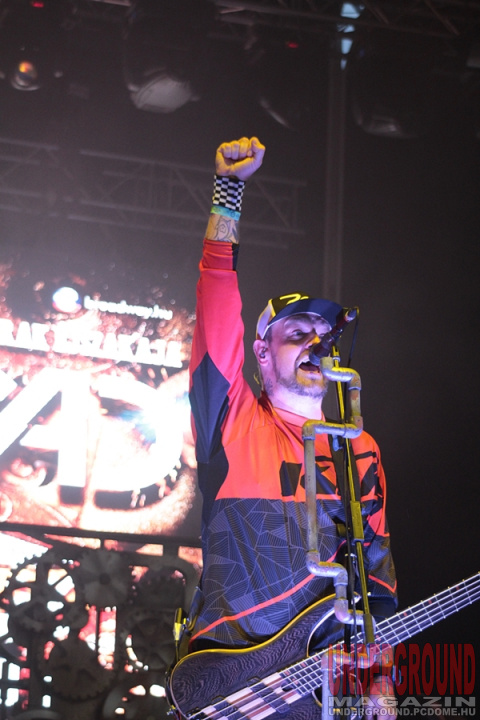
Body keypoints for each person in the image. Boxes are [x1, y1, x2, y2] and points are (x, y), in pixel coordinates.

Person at [186, 137, 397, 715]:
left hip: (315, 693)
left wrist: (380, 683)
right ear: (261, 351)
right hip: (230, 680)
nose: (314, 344)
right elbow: (217, 298)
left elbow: (375, 575)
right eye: (297, 334)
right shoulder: (233, 419)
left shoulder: (359, 447)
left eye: (323, 337)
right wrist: (229, 193)